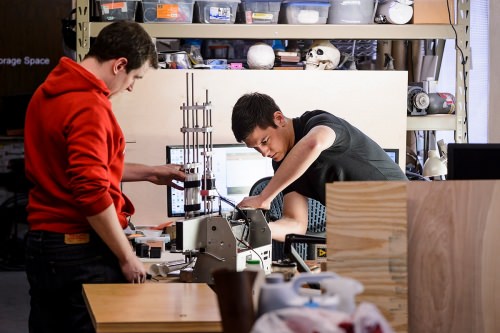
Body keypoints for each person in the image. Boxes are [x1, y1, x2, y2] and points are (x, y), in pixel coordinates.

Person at [23, 21, 185, 333]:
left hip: (44, 244)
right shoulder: (88, 106)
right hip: (78, 249)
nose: (131, 86)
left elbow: (79, 168)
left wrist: (150, 172)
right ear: (120, 64)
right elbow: (91, 190)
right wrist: (126, 257)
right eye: (135, 77)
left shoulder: (47, 92)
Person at [231, 92, 407, 242]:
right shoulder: (283, 165)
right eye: (256, 148)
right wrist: (252, 230)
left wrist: (264, 197)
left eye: (265, 141)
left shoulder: (319, 122)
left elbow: (313, 143)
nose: (263, 152)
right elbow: (295, 224)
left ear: (279, 119)